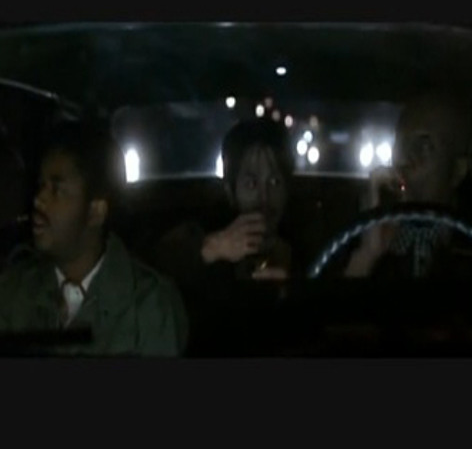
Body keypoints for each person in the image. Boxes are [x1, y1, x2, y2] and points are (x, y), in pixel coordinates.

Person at [0, 121, 188, 357]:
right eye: (41, 186)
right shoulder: (13, 290)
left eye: (57, 190)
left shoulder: (149, 304)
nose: (39, 200)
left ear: (95, 211)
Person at [149, 117, 296, 355]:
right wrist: (213, 248)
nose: (264, 198)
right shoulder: (204, 236)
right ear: (230, 190)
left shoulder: (305, 244)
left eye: (275, 181)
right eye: (251, 184)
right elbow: (150, 268)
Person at [344, 93, 472, 280]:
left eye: (423, 146)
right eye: (399, 145)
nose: (402, 161)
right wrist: (367, 254)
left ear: (458, 170)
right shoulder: (360, 234)